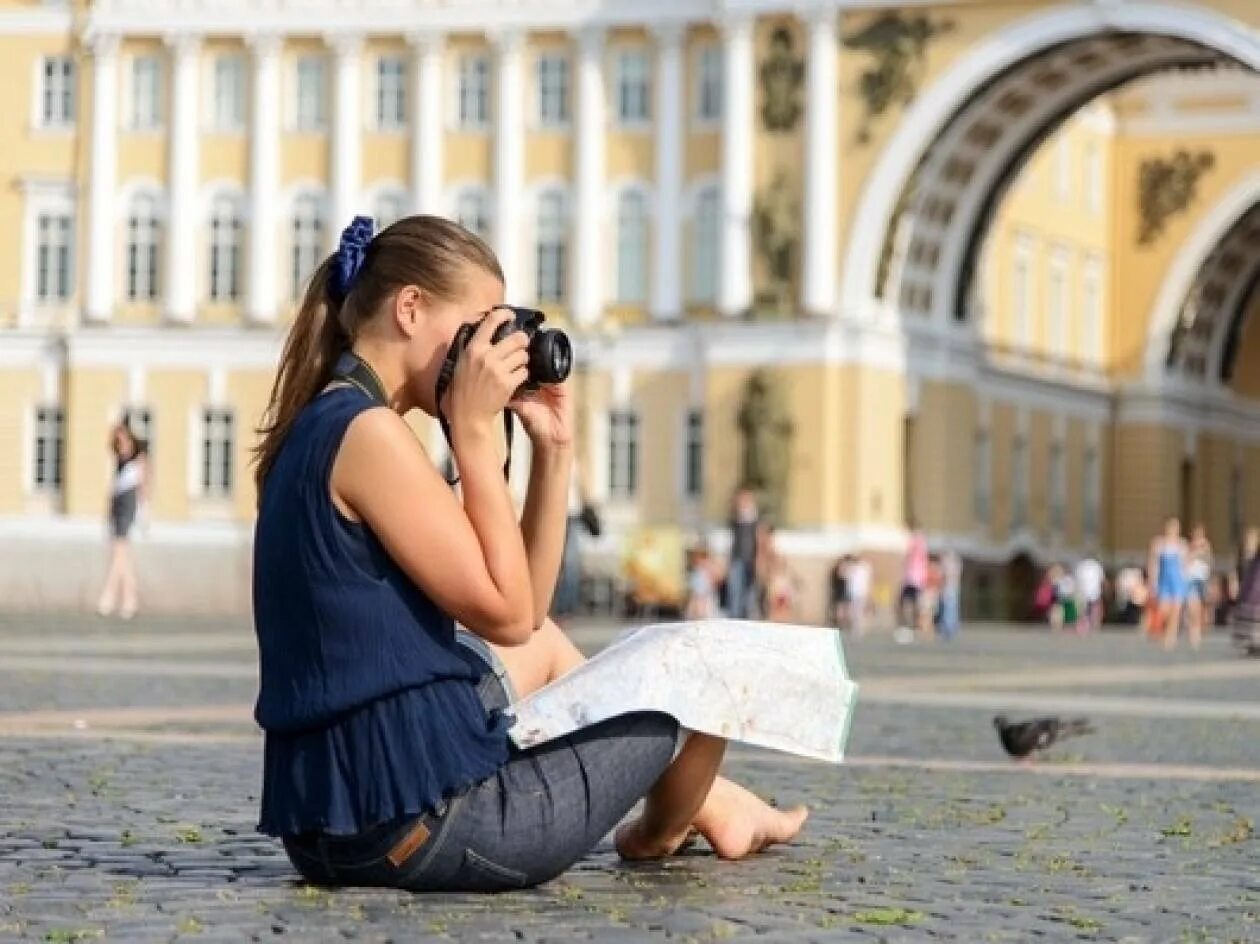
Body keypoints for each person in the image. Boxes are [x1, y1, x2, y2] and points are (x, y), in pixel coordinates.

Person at [249, 216, 805, 894]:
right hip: (423, 829)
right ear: (410, 308)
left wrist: (555, 451)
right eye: (481, 325)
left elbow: (525, 611)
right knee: (686, 683)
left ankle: (718, 806)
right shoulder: (370, 437)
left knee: (544, 643)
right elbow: (507, 615)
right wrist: (476, 437)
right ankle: (658, 832)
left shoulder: (336, 418)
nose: (495, 350)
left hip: (343, 825)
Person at [96, 422, 148, 620]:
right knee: (123, 557)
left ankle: (108, 598)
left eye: (124, 440)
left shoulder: (138, 460)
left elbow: (143, 487)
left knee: (119, 553)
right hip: (118, 506)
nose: (121, 444)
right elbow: (113, 488)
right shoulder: (119, 461)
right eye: (118, 441)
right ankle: (129, 600)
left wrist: (144, 513)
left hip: (129, 505)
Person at [1149, 517, 1190, 650]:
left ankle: (1171, 637)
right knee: (1164, 610)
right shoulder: (1159, 543)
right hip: (1164, 580)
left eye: (1175, 527)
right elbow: (1153, 563)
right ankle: (1166, 632)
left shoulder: (1182, 544)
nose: (1173, 530)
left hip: (1178, 580)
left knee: (1176, 610)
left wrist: (1186, 578)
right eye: (1171, 527)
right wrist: (1152, 580)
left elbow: (1186, 564)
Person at [726, 489, 760, 619]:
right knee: (736, 591)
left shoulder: (754, 520)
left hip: (751, 559)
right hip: (738, 559)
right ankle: (735, 617)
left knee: (750, 591)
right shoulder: (736, 519)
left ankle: (747, 617)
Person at [897, 524, 928, 642]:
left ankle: (910, 626)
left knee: (906, 603)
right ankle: (916, 626)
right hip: (918, 578)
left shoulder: (915, 541)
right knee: (915, 603)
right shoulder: (922, 543)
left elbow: (908, 556)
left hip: (912, 578)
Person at [1185, 524, 1213, 643]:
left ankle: (1203, 626)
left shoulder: (1206, 545)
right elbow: (1186, 560)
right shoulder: (1189, 546)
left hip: (1203, 578)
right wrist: (1195, 552)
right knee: (1193, 605)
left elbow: (1210, 562)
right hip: (1191, 578)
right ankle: (1193, 629)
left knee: (1204, 604)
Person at [1074, 556, 1105, 634]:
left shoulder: (1081, 566)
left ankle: (1083, 624)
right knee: (1095, 607)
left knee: (1083, 609)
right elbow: (1102, 579)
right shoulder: (1097, 565)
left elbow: (1077, 579)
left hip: (1083, 591)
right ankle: (1095, 623)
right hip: (1095, 590)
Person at [938, 549, 963, 641]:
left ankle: (948, 628)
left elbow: (946, 578)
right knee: (951, 609)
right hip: (952, 589)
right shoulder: (955, 565)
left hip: (948, 589)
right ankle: (950, 628)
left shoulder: (948, 566)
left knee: (948, 610)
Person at [846, 554, 872, 637]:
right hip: (857, 592)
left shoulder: (861, 568)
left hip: (859, 592)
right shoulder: (862, 568)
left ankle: (859, 629)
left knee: (858, 612)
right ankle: (857, 628)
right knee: (856, 612)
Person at [828, 556, 850, 630]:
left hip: (839, 591)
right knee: (839, 608)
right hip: (839, 591)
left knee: (840, 608)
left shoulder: (835, 571)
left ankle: (840, 622)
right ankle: (839, 623)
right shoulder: (839, 572)